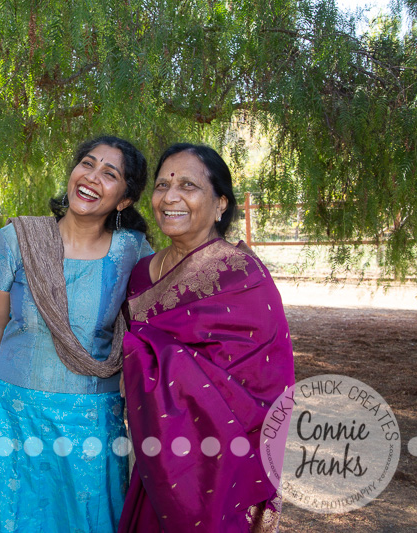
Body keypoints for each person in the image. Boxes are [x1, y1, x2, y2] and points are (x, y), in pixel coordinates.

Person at [0, 136, 154, 532]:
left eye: (110, 174)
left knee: (88, 521)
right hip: (11, 414)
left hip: (91, 421)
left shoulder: (133, 253)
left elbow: (152, 335)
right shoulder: (18, 239)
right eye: (86, 164)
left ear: (124, 199)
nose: (92, 177)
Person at [118, 143, 295, 533]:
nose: (171, 197)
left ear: (220, 205)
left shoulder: (243, 276)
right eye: (162, 185)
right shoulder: (141, 272)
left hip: (217, 463)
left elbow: (266, 385)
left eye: (188, 185)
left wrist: (133, 352)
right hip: (154, 453)